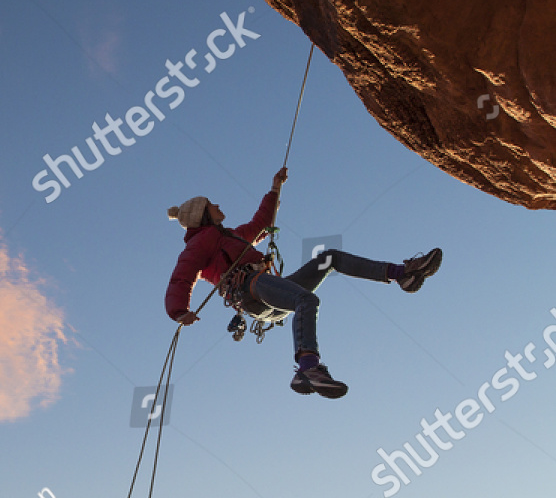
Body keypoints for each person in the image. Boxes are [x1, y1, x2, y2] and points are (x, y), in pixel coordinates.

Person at [164, 167, 442, 398]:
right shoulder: (200, 242)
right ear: (203, 214)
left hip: (267, 294)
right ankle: (308, 368)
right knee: (306, 299)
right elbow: (182, 274)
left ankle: (402, 274)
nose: (218, 205)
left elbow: (262, 222)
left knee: (329, 258)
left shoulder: (233, 235)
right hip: (250, 289)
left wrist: (274, 188)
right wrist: (179, 310)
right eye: (212, 204)